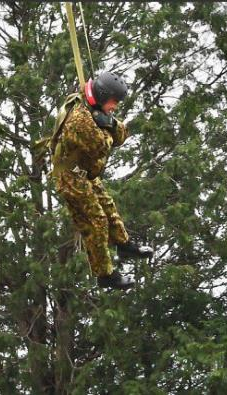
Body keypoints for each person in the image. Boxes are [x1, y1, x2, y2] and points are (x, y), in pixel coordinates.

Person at [51, 71, 153, 290]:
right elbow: (103, 146)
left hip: (83, 172)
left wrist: (108, 121)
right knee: (96, 222)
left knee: (108, 206)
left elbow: (121, 133)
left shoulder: (92, 105)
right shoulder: (80, 120)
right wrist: (108, 125)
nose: (114, 107)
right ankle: (104, 274)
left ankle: (123, 244)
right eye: (113, 102)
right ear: (101, 95)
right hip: (70, 177)